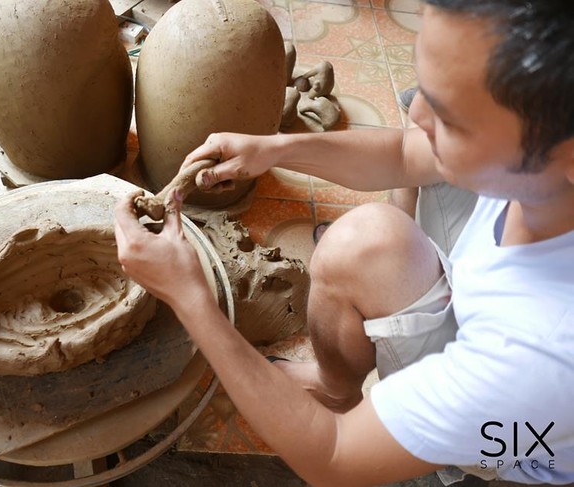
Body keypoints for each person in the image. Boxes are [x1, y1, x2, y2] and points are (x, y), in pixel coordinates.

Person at [114, 1, 574, 485]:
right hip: (504, 312)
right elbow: (404, 152)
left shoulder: (539, 358)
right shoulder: (541, 171)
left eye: (451, 119)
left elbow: (333, 458)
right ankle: (341, 381)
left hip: (511, 436)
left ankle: (432, 453)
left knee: (362, 244)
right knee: (383, 229)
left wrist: (190, 297)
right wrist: (274, 147)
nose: (416, 111)